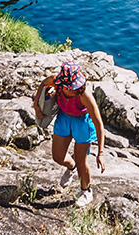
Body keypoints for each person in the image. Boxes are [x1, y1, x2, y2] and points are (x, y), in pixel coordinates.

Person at [33, 61, 104, 208]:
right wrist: (36, 104)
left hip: (82, 123)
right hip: (64, 117)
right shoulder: (56, 81)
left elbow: (98, 123)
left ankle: (86, 191)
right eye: (74, 87)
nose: (78, 88)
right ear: (64, 86)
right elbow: (43, 84)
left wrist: (100, 153)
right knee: (57, 156)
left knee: (81, 161)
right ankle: (71, 167)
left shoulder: (84, 95)